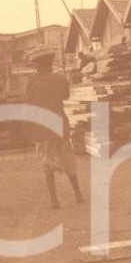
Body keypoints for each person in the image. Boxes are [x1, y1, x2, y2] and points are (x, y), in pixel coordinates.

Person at [25, 46, 85, 208]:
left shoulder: (32, 81)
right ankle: (77, 193)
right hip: (60, 126)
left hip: (42, 128)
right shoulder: (60, 79)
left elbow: (29, 105)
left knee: (47, 163)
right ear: (50, 63)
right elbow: (65, 96)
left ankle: (54, 200)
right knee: (68, 161)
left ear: (38, 65)